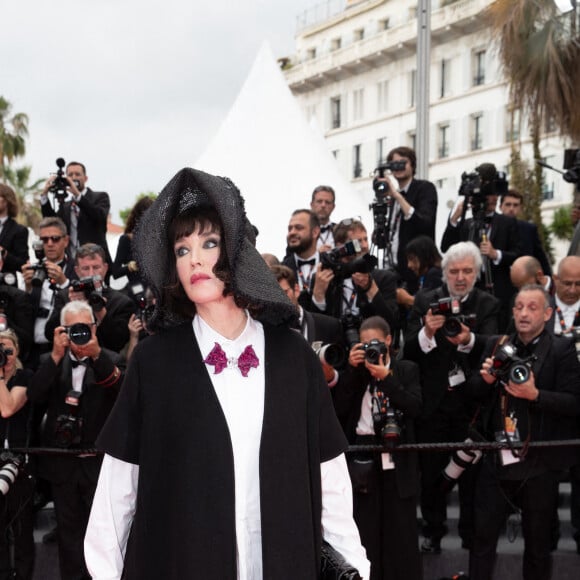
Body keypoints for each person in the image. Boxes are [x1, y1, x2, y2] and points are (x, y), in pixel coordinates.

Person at [84, 167, 370, 579]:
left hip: (283, 562)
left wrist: (355, 567)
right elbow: (118, 490)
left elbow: (330, 481)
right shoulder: (154, 361)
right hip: (180, 562)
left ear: (237, 251)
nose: (194, 258)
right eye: (181, 250)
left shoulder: (295, 357)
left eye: (209, 243)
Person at [466, 285, 580, 580]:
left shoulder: (562, 349)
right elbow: (471, 395)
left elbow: (574, 403)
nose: (524, 313)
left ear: (547, 313)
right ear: (512, 311)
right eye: (519, 307)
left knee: (538, 545)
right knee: (481, 539)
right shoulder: (497, 344)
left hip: (540, 463)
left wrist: (535, 395)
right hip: (496, 458)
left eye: (532, 307)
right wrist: (487, 379)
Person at [403, 241, 500, 553]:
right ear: (444, 274)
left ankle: (470, 537)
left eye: (467, 271)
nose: (460, 277)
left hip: (470, 404)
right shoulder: (425, 300)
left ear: (476, 273)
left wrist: (469, 339)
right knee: (431, 474)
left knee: (471, 478)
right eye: (454, 271)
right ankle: (433, 532)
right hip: (432, 404)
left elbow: (492, 345)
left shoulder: (487, 304)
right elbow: (408, 350)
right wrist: (427, 332)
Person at [27, 300, 123, 580]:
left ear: (95, 328)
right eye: (72, 329)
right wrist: (56, 357)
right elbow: (34, 396)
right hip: (62, 466)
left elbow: (123, 396)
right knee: (68, 536)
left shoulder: (111, 359)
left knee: (102, 534)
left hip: (98, 465)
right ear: (61, 331)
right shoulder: (49, 361)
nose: (79, 335)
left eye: (85, 327)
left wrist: (96, 357)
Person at [333, 316, 422, 580]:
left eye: (374, 343)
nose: (370, 349)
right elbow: (338, 410)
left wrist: (387, 379)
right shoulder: (357, 373)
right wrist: (352, 371)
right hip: (363, 453)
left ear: (388, 341)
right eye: (363, 344)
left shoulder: (406, 369)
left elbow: (416, 407)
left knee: (401, 533)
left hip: (397, 451)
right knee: (365, 531)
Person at [441, 163, 521, 331]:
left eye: (494, 194)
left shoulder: (508, 223)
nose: (493, 198)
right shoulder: (467, 224)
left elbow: (518, 255)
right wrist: (455, 218)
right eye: (489, 194)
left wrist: (496, 254)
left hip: (497, 289)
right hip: (469, 290)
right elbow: (446, 247)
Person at [310, 219, 399, 333]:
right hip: (335, 345)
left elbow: (391, 323)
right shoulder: (324, 279)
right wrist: (318, 295)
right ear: (340, 246)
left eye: (366, 239)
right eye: (357, 242)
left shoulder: (384, 278)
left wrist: (371, 289)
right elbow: (314, 328)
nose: (365, 246)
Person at [45, 243, 134, 353]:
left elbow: (117, 343)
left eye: (96, 267)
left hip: (105, 360)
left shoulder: (121, 302)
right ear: (77, 271)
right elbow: (49, 335)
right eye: (86, 268)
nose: (91, 273)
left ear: (105, 268)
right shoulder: (65, 296)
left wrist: (101, 312)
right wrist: (70, 306)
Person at [271, 264, 345, 387]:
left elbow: (346, 376)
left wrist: (331, 377)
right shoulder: (263, 330)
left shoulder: (329, 326)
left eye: (284, 292)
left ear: (296, 290)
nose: (279, 299)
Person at [376, 146, 438, 292]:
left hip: (418, 271)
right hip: (393, 270)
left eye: (403, 162)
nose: (398, 167)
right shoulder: (391, 197)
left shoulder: (424, 188)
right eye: (394, 164)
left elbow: (425, 223)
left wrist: (398, 197)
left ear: (412, 165)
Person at [0, 329, 35, 580]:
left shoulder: (26, 376)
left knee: (21, 529)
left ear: (18, 350)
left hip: (20, 461)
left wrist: (0, 375)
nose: (5, 356)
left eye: (8, 350)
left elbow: (8, 407)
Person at [21, 217, 76, 368]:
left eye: (55, 239)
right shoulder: (34, 268)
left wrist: (64, 282)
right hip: (33, 347)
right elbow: (24, 311)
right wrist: (27, 287)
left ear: (66, 241)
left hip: (64, 347)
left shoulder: (76, 269)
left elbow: (80, 306)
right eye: (44, 240)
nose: (50, 244)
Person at [40, 161, 112, 270]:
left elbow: (99, 217)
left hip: (96, 264)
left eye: (77, 174)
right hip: (72, 265)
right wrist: (44, 196)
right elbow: (52, 223)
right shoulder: (65, 206)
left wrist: (78, 196)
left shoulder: (100, 197)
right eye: (70, 175)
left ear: (85, 178)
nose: (74, 178)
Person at [499, 189, 552, 276]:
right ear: (500, 207)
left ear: (520, 208)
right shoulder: (492, 228)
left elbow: (540, 257)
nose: (511, 209)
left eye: (515, 205)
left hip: (525, 281)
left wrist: (548, 281)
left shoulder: (529, 229)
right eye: (508, 204)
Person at [282, 208, 321, 310]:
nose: (292, 232)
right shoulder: (281, 269)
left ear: (315, 232)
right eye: (290, 229)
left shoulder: (330, 265)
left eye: (298, 228)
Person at [111, 196, 154, 291]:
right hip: (136, 292)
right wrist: (133, 266)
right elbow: (115, 272)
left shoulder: (160, 240)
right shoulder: (126, 240)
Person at [397, 235, 443, 310]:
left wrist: (407, 299)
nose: (409, 265)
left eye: (412, 259)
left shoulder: (435, 274)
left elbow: (433, 304)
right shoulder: (424, 276)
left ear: (424, 256)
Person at [0, 183, 29, 286]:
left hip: (5, 287)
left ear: (7, 200)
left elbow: (23, 264)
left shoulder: (19, 230)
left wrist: (4, 253)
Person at [310, 185, 337, 251]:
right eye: (319, 201)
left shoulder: (341, 230)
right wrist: (316, 254)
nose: (323, 205)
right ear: (312, 205)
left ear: (333, 207)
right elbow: (289, 259)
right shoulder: (301, 232)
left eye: (327, 202)